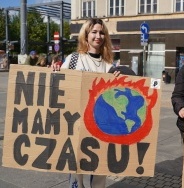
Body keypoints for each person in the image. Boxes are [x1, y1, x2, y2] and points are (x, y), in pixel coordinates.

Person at [53, 18, 120, 188]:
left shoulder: (109, 65)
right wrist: (54, 72)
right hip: (76, 123)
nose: (98, 36)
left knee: (99, 170)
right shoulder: (74, 59)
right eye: (94, 32)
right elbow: (60, 86)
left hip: (101, 126)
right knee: (76, 168)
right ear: (86, 35)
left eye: (102, 32)